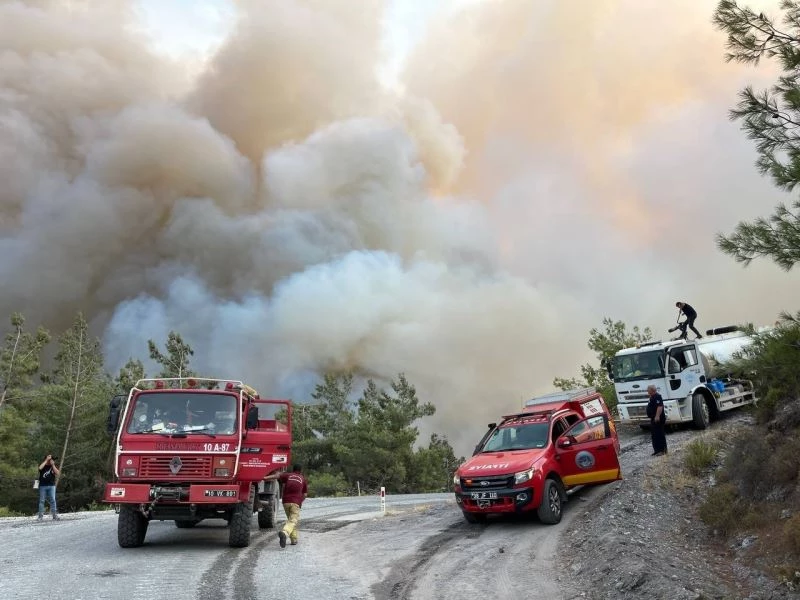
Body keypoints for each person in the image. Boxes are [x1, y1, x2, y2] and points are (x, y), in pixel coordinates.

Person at [264, 464, 308, 548]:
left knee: (291, 520)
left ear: (293, 469)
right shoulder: (303, 479)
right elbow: (305, 494)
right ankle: (285, 532)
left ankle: (294, 539)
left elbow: (277, 475)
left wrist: (264, 478)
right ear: (301, 471)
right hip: (295, 502)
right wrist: (300, 501)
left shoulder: (288, 475)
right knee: (293, 520)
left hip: (286, 502)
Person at [37, 454, 60, 521]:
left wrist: (53, 465)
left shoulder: (53, 466)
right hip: (42, 486)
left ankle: (54, 516)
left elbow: (58, 473)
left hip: (51, 486)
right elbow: (40, 468)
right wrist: (46, 460)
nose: (52, 460)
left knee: (53, 500)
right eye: (51, 459)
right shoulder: (43, 465)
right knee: (42, 501)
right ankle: (40, 517)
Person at [646, 385, 667, 456]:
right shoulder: (652, 397)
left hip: (658, 419)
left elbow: (660, 406)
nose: (647, 391)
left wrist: (657, 416)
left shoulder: (657, 396)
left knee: (659, 434)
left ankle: (662, 450)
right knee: (654, 435)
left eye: (648, 390)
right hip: (653, 418)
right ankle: (657, 450)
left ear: (652, 390)